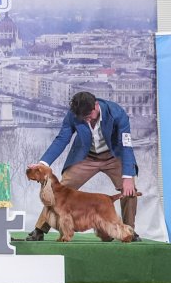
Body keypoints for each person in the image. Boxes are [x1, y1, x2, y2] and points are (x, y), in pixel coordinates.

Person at [25, 91, 139, 242]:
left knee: (129, 190)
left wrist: (128, 176)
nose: (87, 120)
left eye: (89, 116)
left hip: (113, 157)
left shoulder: (117, 113)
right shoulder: (73, 115)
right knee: (57, 191)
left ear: (96, 106)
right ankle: (39, 229)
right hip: (86, 157)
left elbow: (126, 145)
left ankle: (130, 232)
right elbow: (61, 139)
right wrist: (43, 163)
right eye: (83, 118)